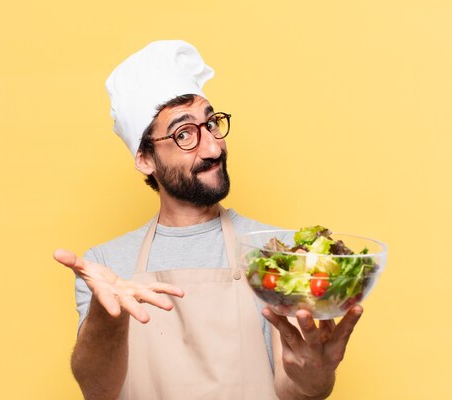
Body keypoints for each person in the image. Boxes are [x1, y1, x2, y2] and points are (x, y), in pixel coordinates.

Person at [54, 40, 363, 400]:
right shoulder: (108, 265)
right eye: (184, 134)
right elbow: (98, 388)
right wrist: (108, 316)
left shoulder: (277, 251)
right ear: (145, 158)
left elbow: (294, 387)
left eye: (212, 124)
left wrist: (314, 375)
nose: (214, 148)